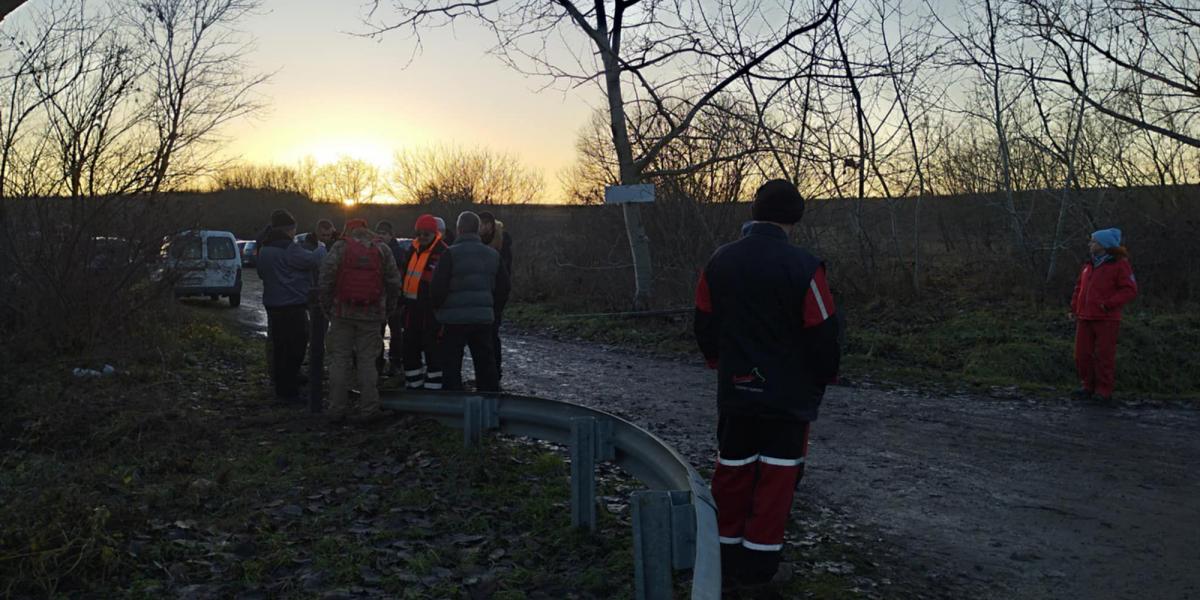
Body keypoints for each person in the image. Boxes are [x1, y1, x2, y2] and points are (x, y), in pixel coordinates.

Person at [694, 179, 841, 589]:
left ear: (755, 213)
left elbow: (704, 321)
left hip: (736, 391)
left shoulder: (718, 261)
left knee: (732, 471)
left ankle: (722, 561)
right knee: (775, 481)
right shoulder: (806, 266)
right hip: (788, 397)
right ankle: (759, 570)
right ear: (794, 216)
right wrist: (823, 377)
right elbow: (824, 332)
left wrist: (718, 364)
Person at [319, 218, 403, 422]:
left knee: (339, 359)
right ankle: (368, 409)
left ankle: (336, 409)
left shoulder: (340, 247)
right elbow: (394, 282)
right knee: (367, 361)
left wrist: (327, 307)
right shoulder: (381, 248)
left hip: (342, 312)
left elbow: (326, 279)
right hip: (372, 314)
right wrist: (388, 309)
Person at [431, 211, 510, 392]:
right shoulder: (493, 255)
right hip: (482, 320)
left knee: (451, 365)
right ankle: (489, 404)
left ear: (459, 230)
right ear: (477, 230)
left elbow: (437, 287)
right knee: (485, 364)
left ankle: (453, 406)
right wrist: (493, 309)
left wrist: (439, 311)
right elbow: (504, 287)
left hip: (453, 320)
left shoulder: (449, 254)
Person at [257, 209, 322, 404]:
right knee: (296, 347)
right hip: (292, 305)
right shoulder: (289, 248)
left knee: (280, 348)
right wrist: (321, 247)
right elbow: (312, 260)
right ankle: (290, 390)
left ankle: (281, 387)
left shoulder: (265, 248)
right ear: (289, 229)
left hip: (273, 305)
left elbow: (261, 274)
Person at [1070, 228, 1138, 405]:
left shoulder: (1120, 264)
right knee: (1081, 355)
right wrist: (1074, 307)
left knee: (1104, 356)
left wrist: (1108, 304)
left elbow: (1129, 290)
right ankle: (1088, 386)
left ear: (1103, 245)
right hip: (1085, 317)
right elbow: (1079, 288)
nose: (1090, 244)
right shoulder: (1088, 265)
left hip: (1106, 318)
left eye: (1093, 241)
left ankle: (1103, 390)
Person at [399, 214, 450, 389]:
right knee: (409, 351)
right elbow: (404, 275)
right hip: (411, 310)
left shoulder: (443, 253)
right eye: (419, 233)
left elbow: (445, 285)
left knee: (433, 352)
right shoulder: (412, 250)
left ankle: (433, 392)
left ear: (434, 233)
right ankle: (414, 387)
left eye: (426, 234)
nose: (422, 237)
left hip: (432, 312)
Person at [302, 221, 335, 412]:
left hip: (329, 297)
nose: (326, 237)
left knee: (324, 335)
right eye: (323, 235)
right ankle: (316, 371)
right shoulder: (307, 247)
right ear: (317, 233)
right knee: (315, 336)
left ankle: (320, 368)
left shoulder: (335, 246)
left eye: (328, 235)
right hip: (314, 296)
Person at [478, 211, 513, 382]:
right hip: (480, 297)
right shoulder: (477, 241)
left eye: (486, 223)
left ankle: (495, 373)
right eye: (481, 223)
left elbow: (505, 277)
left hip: (494, 296)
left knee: (492, 337)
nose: (483, 226)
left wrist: (498, 303)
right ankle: (485, 375)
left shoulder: (502, 244)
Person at [375, 220, 406, 375]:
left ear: (391, 235)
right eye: (379, 233)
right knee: (378, 332)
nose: (381, 236)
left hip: (394, 298)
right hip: (379, 299)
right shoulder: (374, 250)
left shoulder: (398, 252)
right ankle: (378, 362)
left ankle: (395, 362)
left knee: (396, 332)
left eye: (384, 233)